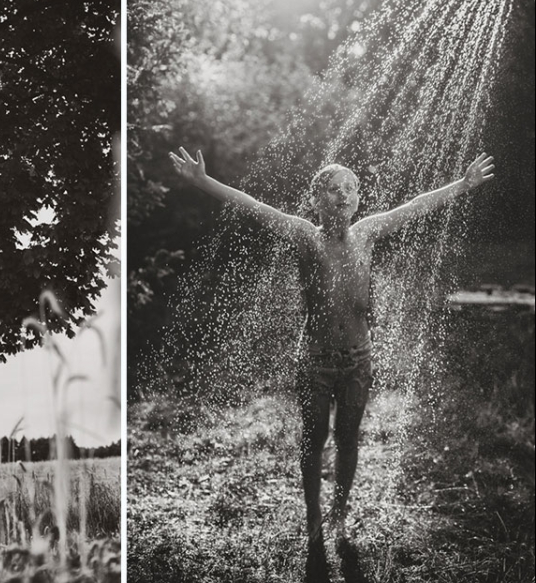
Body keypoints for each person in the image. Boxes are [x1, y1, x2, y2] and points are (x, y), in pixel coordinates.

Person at [169, 146, 495, 580]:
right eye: (334, 188)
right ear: (317, 199)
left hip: (359, 360)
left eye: (352, 188)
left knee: (348, 438)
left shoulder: (368, 232)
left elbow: (416, 206)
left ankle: (339, 515)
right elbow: (254, 205)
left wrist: (465, 184)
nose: (344, 195)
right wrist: (201, 181)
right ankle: (313, 520)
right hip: (316, 362)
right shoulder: (305, 234)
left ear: (359, 198)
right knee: (314, 438)